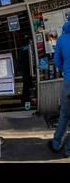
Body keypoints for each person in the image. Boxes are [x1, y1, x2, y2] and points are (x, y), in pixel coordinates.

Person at [48, 12, 70, 159]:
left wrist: (66, 70)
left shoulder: (62, 39)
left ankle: (56, 143)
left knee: (64, 114)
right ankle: (68, 149)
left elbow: (57, 62)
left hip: (68, 82)